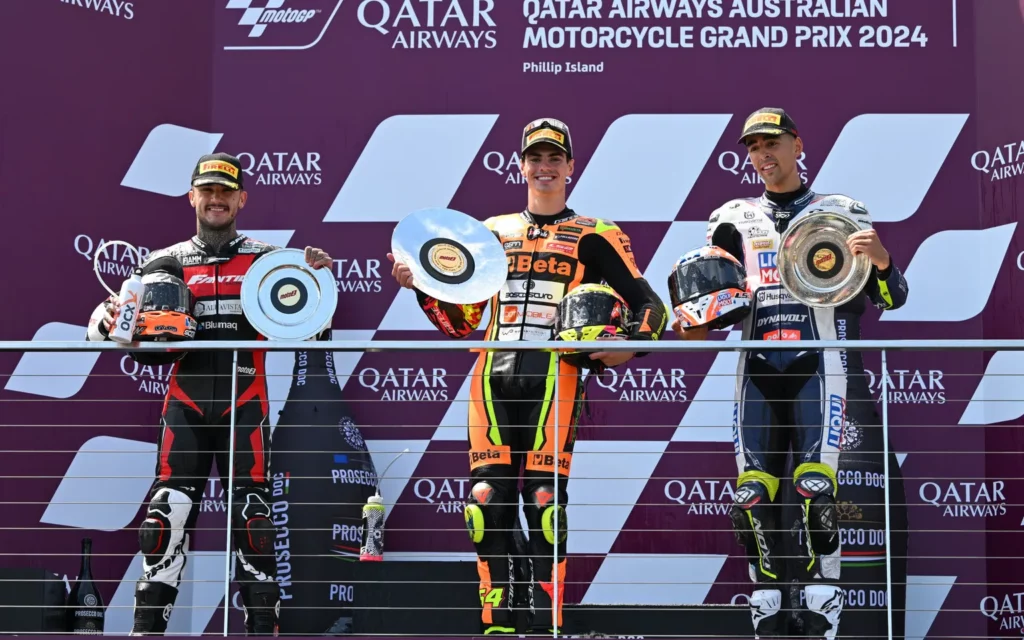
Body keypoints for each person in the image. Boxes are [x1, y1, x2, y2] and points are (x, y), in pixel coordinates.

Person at [387, 118, 667, 635]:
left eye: (554, 159)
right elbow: (464, 321)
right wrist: (422, 289)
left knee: (544, 507)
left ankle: (549, 625)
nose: (545, 167)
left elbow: (648, 304)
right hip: (489, 380)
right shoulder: (489, 233)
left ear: (571, 169)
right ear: (520, 166)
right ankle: (498, 623)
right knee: (484, 505)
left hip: (555, 381)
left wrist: (626, 349)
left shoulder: (595, 234)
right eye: (535, 158)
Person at [673, 108, 909, 638]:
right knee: (751, 496)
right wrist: (690, 315)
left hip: (820, 364)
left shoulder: (839, 212)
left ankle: (824, 610)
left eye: (772, 143)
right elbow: (707, 313)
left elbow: (893, 298)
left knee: (815, 491)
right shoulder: (730, 217)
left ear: (798, 144)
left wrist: (883, 259)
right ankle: (764, 606)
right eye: (754, 146)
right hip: (754, 366)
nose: (763, 155)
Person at [85, 153, 334, 636]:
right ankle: (146, 631)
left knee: (255, 528)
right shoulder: (164, 263)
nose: (216, 200)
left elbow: (316, 332)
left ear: (241, 198)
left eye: (226, 191)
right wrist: (111, 318)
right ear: (192, 197)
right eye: (208, 191)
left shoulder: (270, 260)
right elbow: (106, 331)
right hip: (186, 408)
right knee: (162, 525)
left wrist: (318, 280)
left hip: (248, 406)